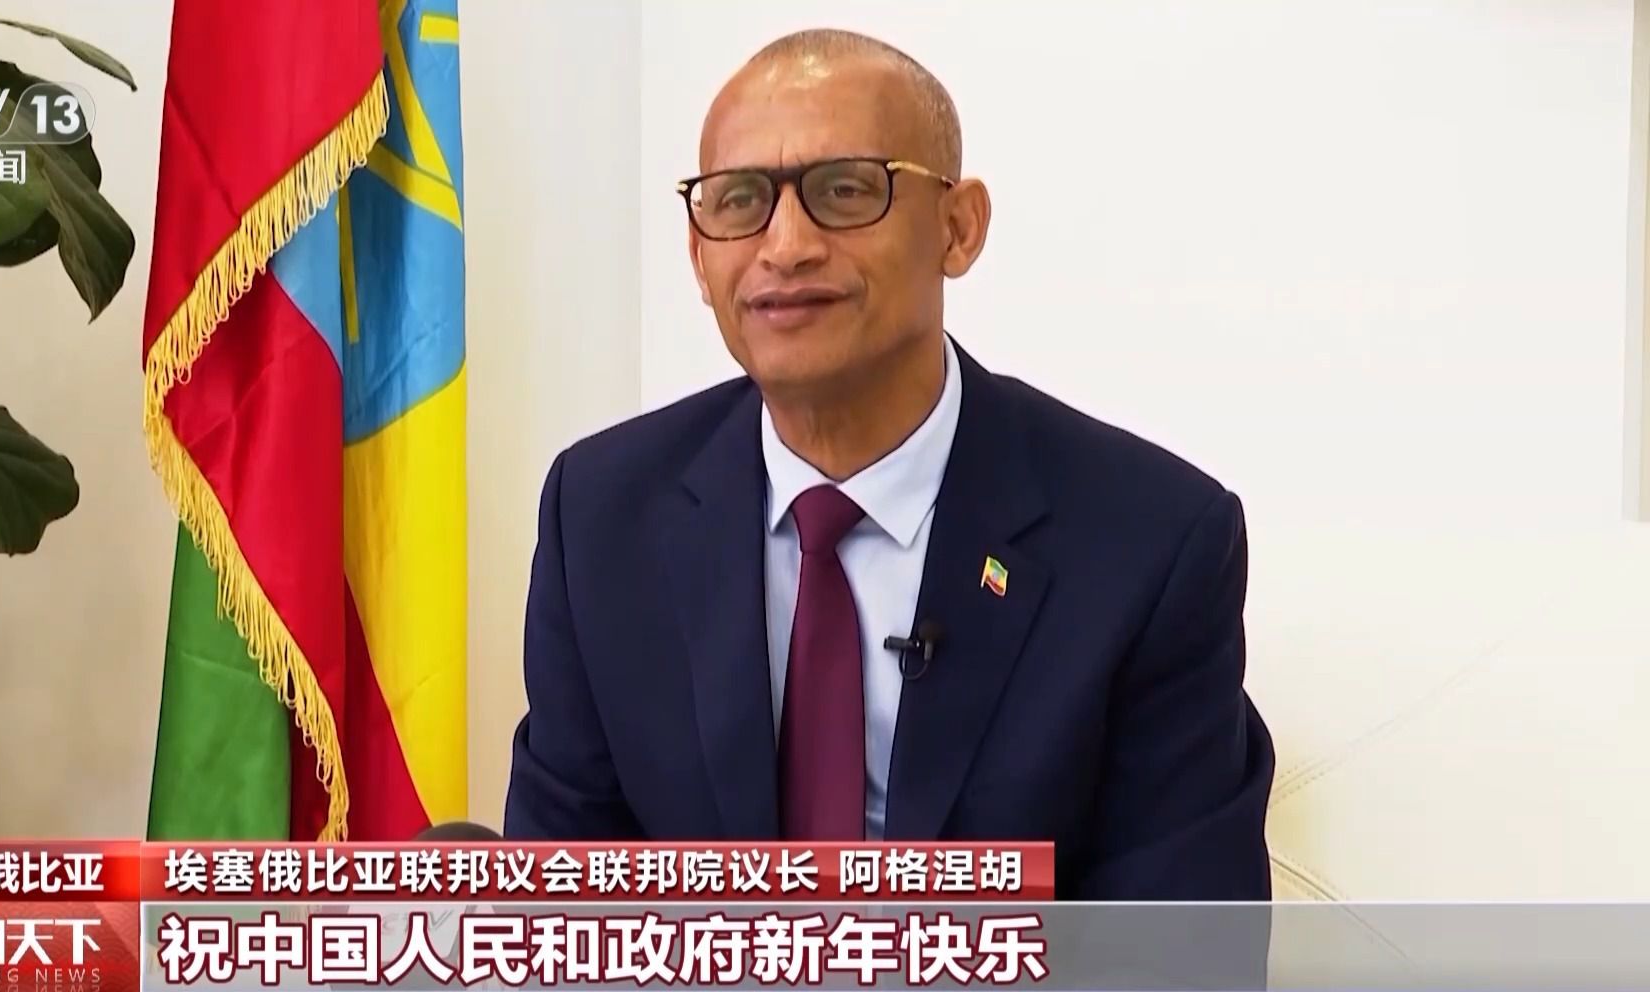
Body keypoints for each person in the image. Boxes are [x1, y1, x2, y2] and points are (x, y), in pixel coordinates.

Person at [503, 28, 1275, 901]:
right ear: (698, 256)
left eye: (844, 191)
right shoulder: (601, 516)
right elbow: (558, 917)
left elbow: (1178, 949)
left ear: (958, 227)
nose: (785, 245)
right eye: (739, 201)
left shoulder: (1151, 542)